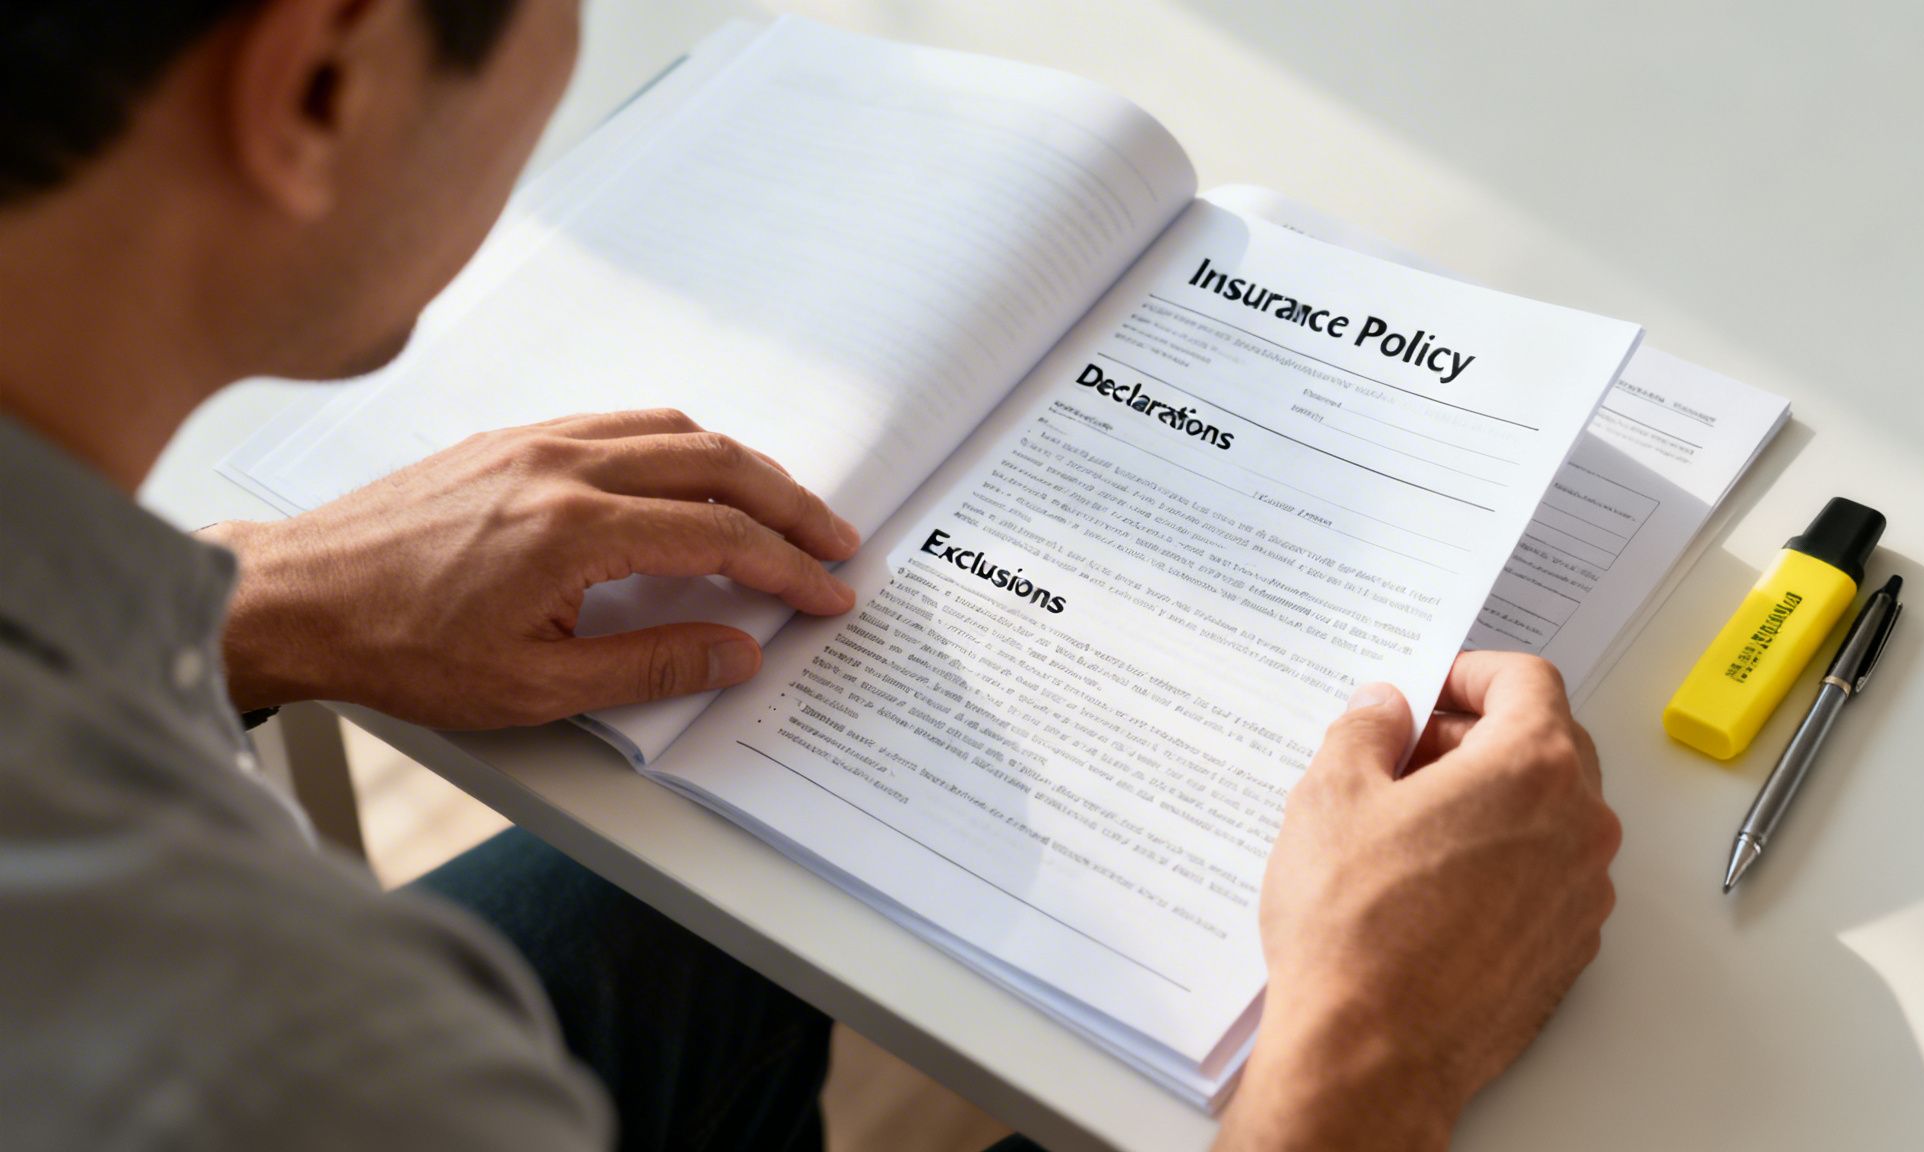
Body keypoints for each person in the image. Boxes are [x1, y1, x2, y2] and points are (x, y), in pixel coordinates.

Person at [0, 2, 1621, 1149]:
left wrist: (258, 599)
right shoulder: (286, 1057)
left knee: (675, 924)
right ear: (319, 87)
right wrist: (1368, 1057)